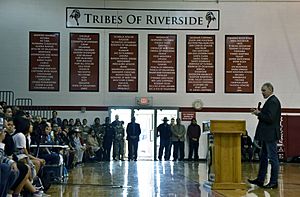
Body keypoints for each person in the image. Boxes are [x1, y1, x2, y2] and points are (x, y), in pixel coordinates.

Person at [248, 82, 281, 189]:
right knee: (263, 157)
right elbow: (267, 116)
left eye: (264, 90)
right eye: (262, 90)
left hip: (270, 135)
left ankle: (273, 182)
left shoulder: (273, 102)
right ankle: (260, 179)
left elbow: (270, 118)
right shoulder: (270, 101)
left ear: (270, 90)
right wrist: (259, 113)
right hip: (266, 135)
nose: (262, 92)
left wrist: (259, 113)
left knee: (273, 159)